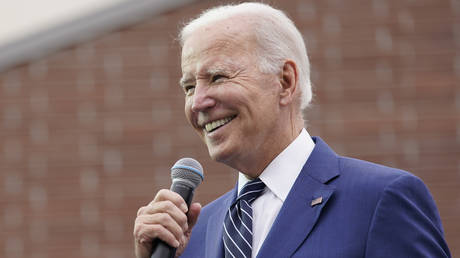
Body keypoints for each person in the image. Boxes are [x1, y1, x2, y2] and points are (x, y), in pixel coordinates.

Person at [134, 2, 451, 257]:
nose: (198, 102)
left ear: (285, 82)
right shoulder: (193, 235)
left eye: (217, 77)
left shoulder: (380, 200)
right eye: (189, 87)